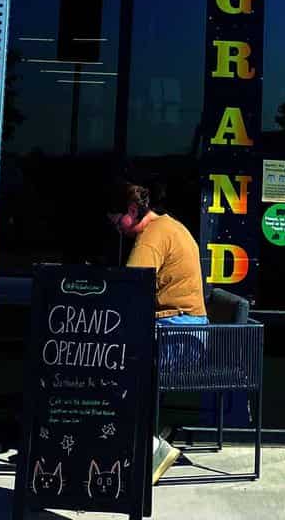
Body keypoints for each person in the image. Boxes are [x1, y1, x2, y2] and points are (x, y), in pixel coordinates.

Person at [106, 176, 206, 484]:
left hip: (177, 338)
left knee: (108, 362)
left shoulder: (151, 237)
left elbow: (131, 291)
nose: (117, 228)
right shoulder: (170, 226)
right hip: (185, 334)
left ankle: (146, 447)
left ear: (133, 209)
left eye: (117, 220)